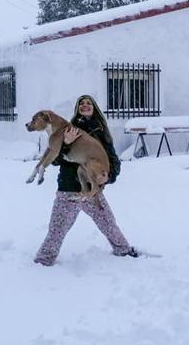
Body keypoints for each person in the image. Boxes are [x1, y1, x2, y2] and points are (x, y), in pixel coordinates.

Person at [34, 94, 139, 266]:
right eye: (81, 103)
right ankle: (43, 261)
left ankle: (124, 250)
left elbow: (113, 159)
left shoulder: (101, 132)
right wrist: (66, 143)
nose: (85, 105)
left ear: (94, 107)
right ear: (77, 109)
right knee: (57, 229)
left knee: (108, 223)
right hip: (68, 187)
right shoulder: (66, 128)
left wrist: (109, 176)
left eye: (88, 103)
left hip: (92, 189)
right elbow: (56, 160)